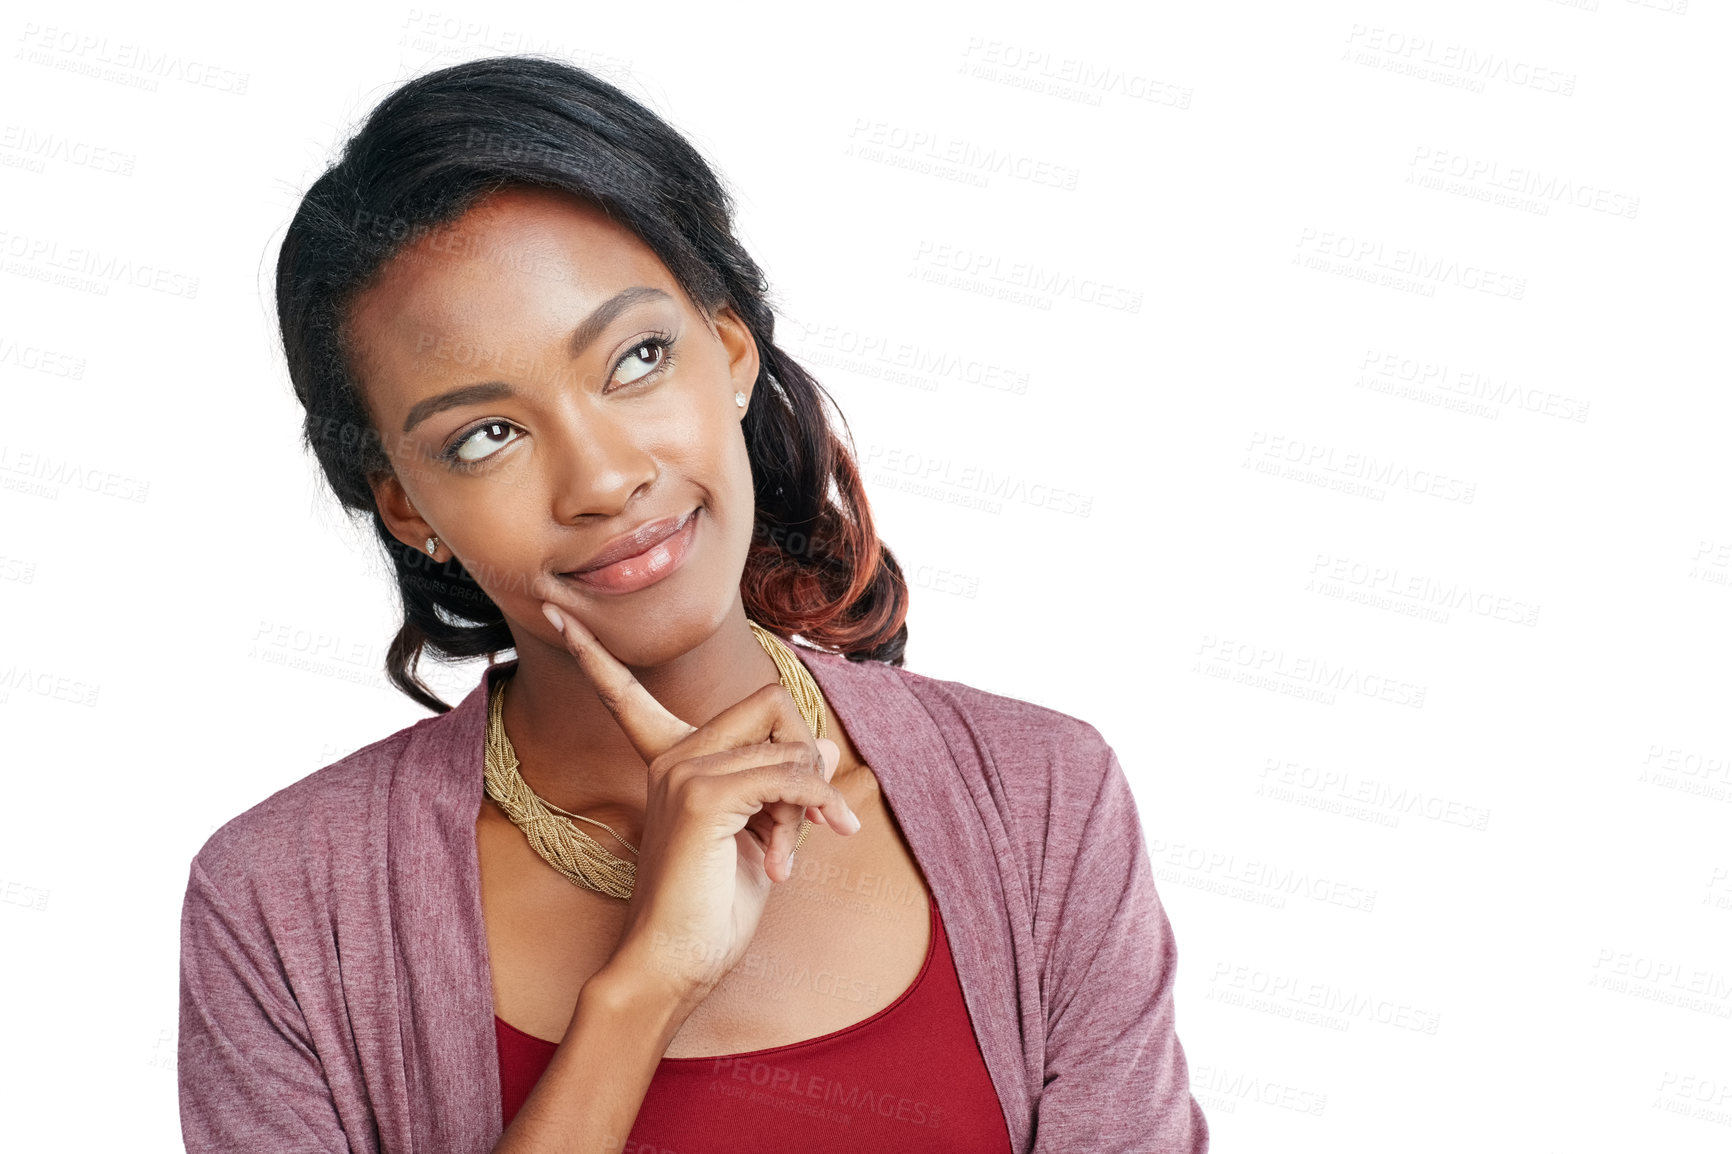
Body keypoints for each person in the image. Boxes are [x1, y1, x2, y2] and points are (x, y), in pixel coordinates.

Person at [176, 54, 1209, 1153]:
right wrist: (641, 991)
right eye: (486, 434)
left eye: (636, 357)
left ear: (727, 350)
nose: (603, 478)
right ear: (404, 503)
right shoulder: (283, 906)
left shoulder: (1041, 802)